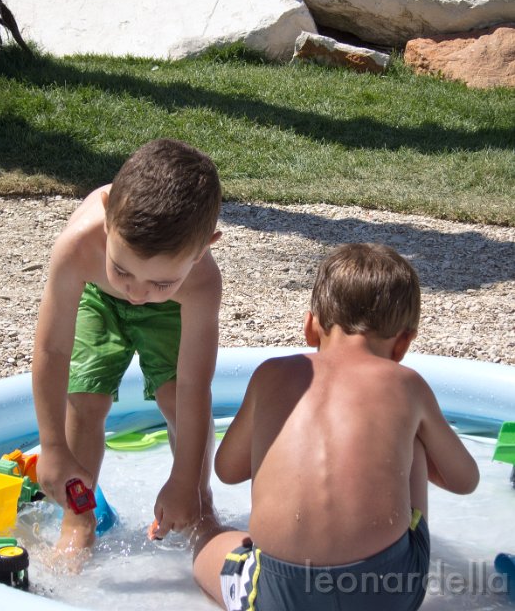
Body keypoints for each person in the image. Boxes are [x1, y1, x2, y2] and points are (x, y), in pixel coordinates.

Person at [192, 243, 479, 611]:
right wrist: (403, 451)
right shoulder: (407, 385)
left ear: (310, 327)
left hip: (281, 595)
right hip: (387, 593)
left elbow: (227, 469)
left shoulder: (270, 376)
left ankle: (202, 532)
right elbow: (464, 479)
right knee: (414, 439)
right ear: (403, 344)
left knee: (212, 545)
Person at [32, 138, 223, 561]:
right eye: (123, 270)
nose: (137, 293)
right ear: (107, 219)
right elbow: (52, 350)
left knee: (175, 398)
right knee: (85, 398)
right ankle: (78, 518)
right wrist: (52, 447)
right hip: (97, 297)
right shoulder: (78, 246)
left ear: (204, 248)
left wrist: (183, 481)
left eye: (159, 281)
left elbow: (194, 386)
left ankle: (198, 502)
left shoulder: (200, 282)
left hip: (171, 310)